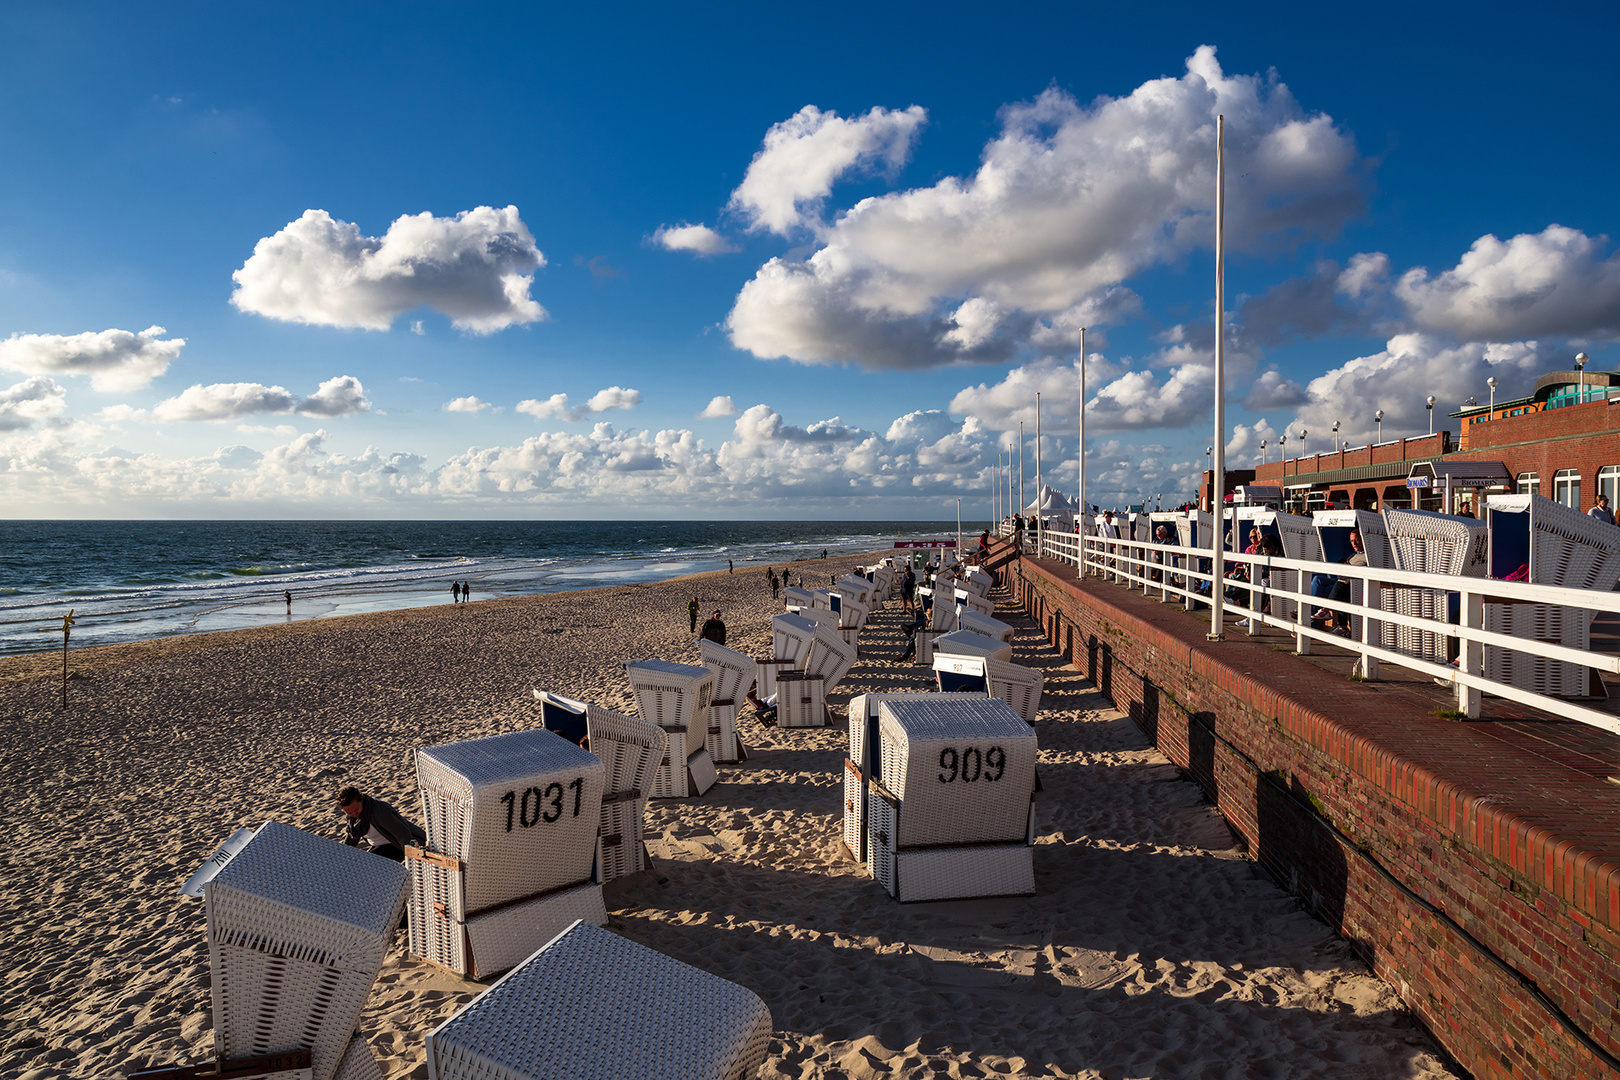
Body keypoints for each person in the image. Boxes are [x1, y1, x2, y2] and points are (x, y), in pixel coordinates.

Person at [338, 786, 425, 861]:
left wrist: (411, 859)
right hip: (380, 846)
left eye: (356, 810)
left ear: (361, 799)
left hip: (397, 844)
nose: (354, 814)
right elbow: (352, 837)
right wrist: (342, 856)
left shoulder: (379, 811)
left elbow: (403, 835)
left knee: (371, 866)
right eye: (349, 813)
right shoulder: (353, 818)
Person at [1310, 529, 1367, 635]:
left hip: (1354, 585)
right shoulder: (1352, 556)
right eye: (1352, 541)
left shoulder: (1368, 557)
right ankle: (1313, 612)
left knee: (1342, 587)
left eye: (1357, 540)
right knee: (1318, 579)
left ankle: (1324, 611)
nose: (1354, 544)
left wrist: (1351, 570)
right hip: (1341, 581)